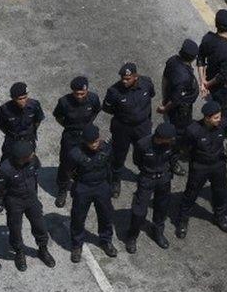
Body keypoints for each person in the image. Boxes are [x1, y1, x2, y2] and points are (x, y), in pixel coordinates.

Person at [0, 141, 55, 270]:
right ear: (21, 158)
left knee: (40, 226)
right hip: (14, 202)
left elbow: (35, 176)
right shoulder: (5, 169)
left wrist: (35, 195)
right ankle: (19, 253)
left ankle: (42, 249)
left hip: (31, 199)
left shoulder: (33, 161)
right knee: (15, 229)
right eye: (29, 155)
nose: (33, 155)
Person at [176, 101, 227, 238]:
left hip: (218, 164)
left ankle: (219, 216)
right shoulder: (193, 130)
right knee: (191, 193)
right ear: (207, 118)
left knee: (220, 192)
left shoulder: (223, 124)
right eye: (216, 118)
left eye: (220, 116)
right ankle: (182, 219)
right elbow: (183, 148)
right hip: (199, 166)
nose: (219, 119)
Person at [103, 62, 156, 197]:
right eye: (122, 78)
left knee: (143, 152)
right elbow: (107, 108)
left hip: (142, 127)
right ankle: (116, 180)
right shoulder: (114, 91)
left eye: (128, 78)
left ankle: (144, 174)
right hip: (122, 128)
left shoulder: (146, 83)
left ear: (136, 77)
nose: (124, 81)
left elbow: (152, 94)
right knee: (119, 155)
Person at [124, 123, 176, 254]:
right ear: (161, 138)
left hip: (164, 178)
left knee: (162, 207)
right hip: (147, 178)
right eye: (169, 138)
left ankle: (158, 232)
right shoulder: (143, 144)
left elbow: (172, 158)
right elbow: (137, 161)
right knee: (139, 210)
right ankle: (132, 236)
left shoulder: (171, 144)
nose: (172, 140)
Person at [68, 124, 116, 262]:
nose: (94, 145)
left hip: (102, 186)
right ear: (84, 141)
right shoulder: (75, 153)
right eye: (90, 143)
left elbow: (110, 167)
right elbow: (69, 171)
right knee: (78, 217)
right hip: (83, 187)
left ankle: (105, 240)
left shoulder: (106, 148)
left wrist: (110, 186)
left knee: (106, 215)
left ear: (99, 138)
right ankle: (77, 245)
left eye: (96, 141)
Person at [53, 76, 101, 207]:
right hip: (71, 136)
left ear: (87, 91)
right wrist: (69, 127)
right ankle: (63, 188)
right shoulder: (64, 102)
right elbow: (58, 117)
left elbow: (96, 110)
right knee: (66, 163)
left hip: (87, 136)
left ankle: (84, 185)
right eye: (76, 93)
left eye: (82, 93)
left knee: (88, 161)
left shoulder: (93, 98)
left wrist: (88, 125)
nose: (79, 96)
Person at [159, 40, 199, 176]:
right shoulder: (184, 77)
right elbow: (176, 99)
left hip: (173, 103)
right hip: (181, 111)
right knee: (178, 136)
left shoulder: (172, 61)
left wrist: (164, 99)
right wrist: (165, 108)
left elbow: (164, 80)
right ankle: (172, 160)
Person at [0, 82, 45, 162]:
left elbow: (37, 120)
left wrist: (30, 132)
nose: (23, 101)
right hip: (12, 140)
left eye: (25, 98)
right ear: (13, 98)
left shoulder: (34, 105)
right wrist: (12, 134)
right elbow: (0, 125)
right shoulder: (4, 110)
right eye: (19, 99)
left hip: (28, 139)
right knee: (7, 162)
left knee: (29, 161)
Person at [197, 9, 227, 112]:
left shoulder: (207, 38)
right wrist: (207, 84)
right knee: (224, 109)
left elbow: (200, 58)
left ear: (216, 23)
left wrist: (202, 82)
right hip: (219, 87)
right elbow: (223, 76)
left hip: (208, 77)